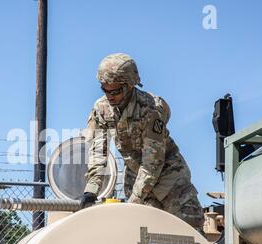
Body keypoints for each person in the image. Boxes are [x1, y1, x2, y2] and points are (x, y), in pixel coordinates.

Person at [80, 53, 204, 229]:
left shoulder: (151, 108)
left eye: (115, 91)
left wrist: (134, 201)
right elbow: (98, 150)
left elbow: (152, 163)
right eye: (104, 90)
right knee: (141, 235)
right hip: (134, 175)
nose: (109, 96)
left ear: (129, 85)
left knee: (190, 229)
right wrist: (92, 189)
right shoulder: (101, 109)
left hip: (169, 176)